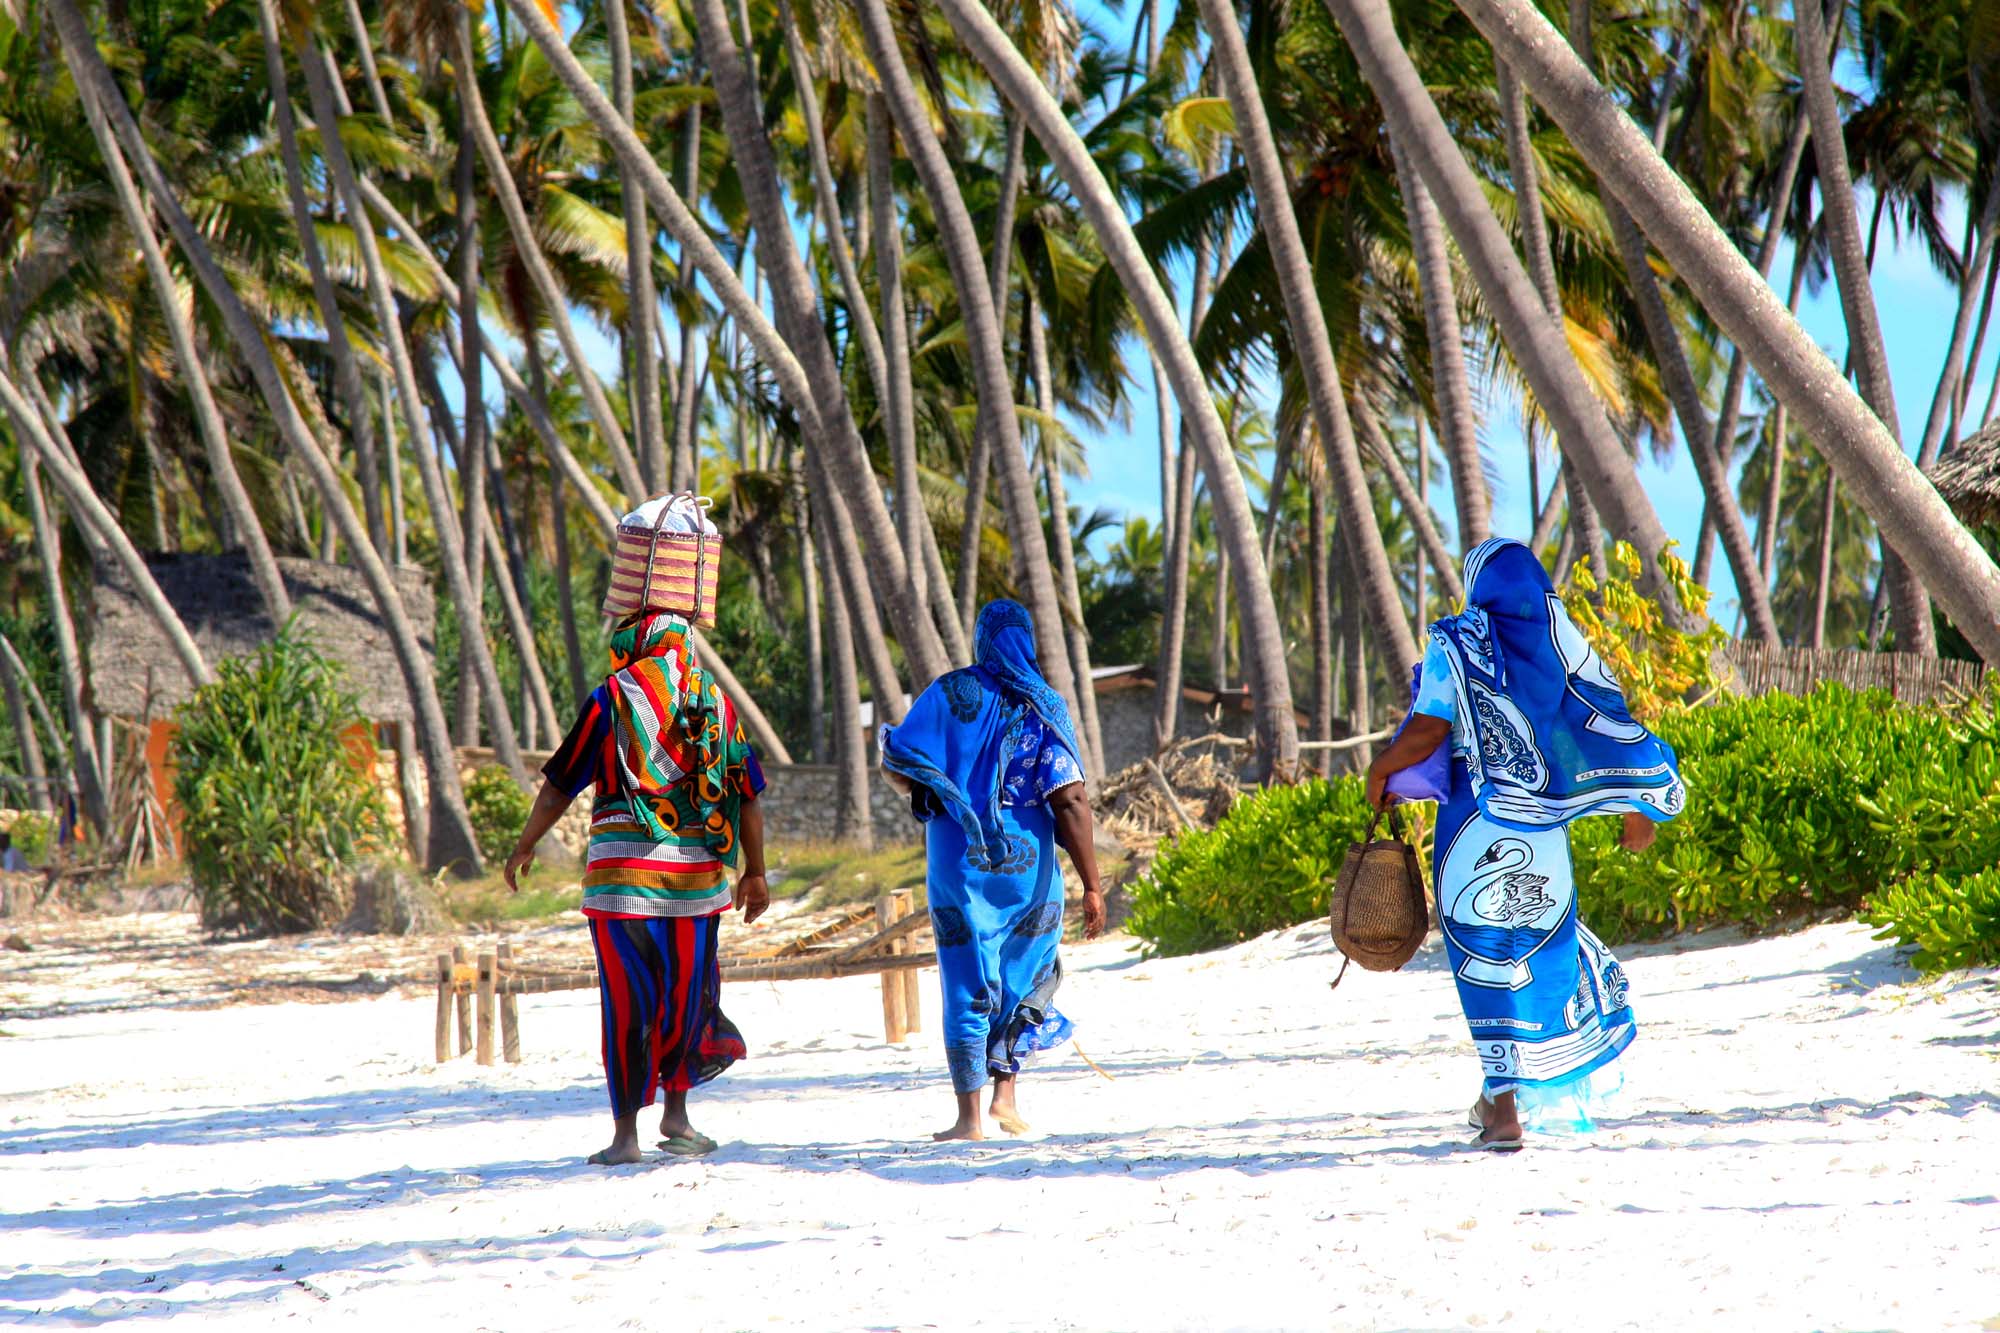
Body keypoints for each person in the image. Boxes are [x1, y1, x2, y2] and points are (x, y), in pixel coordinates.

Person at [1365, 538, 1683, 1153]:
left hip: (1471, 824)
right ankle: (1505, 1097)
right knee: (1538, 949)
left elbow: (1430, 726)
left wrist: (1381, 769)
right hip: (1539, 832)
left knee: (1483, 954)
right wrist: (1633, 803)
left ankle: (1504, 1110)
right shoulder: (1564, 647)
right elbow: (1601, 724)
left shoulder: (1455, 642)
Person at [506, 609, 769, 1166]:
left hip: (621, 885)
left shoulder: (612, 698)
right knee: (688, 995)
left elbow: (560, 784)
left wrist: (526, 843)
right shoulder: (715, 703)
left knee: (627, 1002)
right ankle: (676, 1116)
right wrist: (756, 871)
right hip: (697, 885)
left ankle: (626, 1138)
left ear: (636, 643)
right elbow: (746, 792)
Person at [879, 599, 1106, 1142]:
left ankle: (969, 1118)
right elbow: (1070, 799)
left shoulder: (948, 693)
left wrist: (946, 791)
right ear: (1027, 639)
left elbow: (899, 762)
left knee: (965, 978)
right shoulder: (1044, 704)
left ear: (981, 640)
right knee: (1024, 972)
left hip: (959, 862)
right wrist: (1092, 885)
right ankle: (1006, 1095)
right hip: (1029, 870)